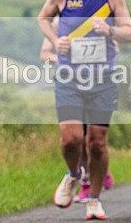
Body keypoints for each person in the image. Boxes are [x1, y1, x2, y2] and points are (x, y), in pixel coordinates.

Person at [38, 0, 131, 220]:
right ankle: (72, 174)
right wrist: (56, 41)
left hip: (103, 78)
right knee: (71, 139)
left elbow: (130, 32)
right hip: (69, 77)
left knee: (97, 142)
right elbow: (42, 18)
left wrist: (110, 30)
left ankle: (93, 199)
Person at [40, 24, 115, 200]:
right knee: (75, 137)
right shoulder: (57, 25)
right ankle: (85, 180)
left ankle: (97, 173)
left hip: (97, 83)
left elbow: (115, 45)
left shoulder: (94, 20)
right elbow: (44, 54)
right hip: (71, 84)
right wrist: (63, 59)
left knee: (94, 136)